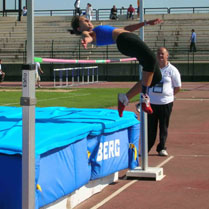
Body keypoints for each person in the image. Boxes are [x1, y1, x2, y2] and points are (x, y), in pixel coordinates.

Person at [70, 16, 163, 116]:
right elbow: (87, 36)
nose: (89, 21)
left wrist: (146, 23)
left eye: (88, 20)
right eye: (85, 21)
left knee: (156, 77)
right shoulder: (88, 33)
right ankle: (144, 99)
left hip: (128, 38)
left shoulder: (96, 30)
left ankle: (125, 98)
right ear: (79, 28)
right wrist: (86, 41)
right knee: (152, 60)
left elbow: (126, 29)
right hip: (125, 40)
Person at [147, 47, 181, 156]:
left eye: (162, 54)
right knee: (151, 127)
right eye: (158, 54)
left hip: (166, 103)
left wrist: (169, 96)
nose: (160, 56)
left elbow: (177, 87)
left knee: (163, 126)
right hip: (152, 103)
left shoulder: (172, 70)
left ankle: (162, 148)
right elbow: (146, 83)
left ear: (167, 55)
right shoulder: (152, 68)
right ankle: (146, 148)